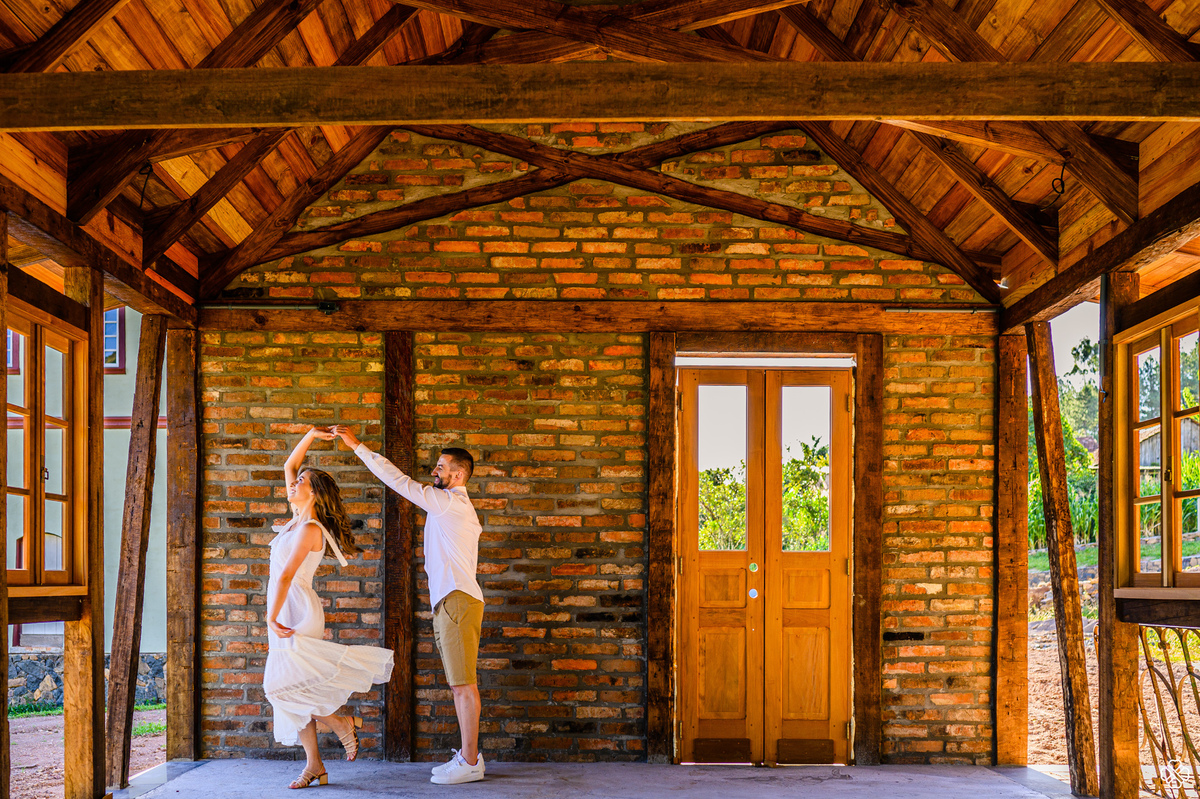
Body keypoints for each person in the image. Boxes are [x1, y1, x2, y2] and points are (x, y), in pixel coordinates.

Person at [332, 425, 486, 786]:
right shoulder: (448, 506)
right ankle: (468, 757)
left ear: (458, 475)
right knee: (460, 684)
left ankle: (470, 760)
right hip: (453, 602)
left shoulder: (450, 503)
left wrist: (357, 446)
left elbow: (398, 481)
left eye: (441, 467)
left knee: (463, 685)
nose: (434, 471)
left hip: (458, 601)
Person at [264, 425, 395, 789]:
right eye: (297, 480)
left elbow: (287, 577)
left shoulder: (310, 529)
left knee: (281, 688)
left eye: (302, 481)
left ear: (314, 493)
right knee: (295, 686)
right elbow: (290, 465)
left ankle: (339, 723)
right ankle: (315, 765)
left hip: (294, 608)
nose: (293, 483)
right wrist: (310, 435)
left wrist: (270, 616)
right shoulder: (295, 520)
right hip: (281, 606)